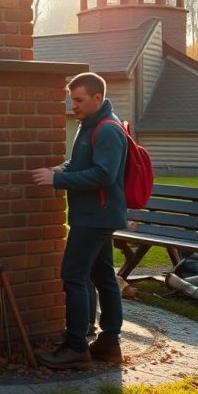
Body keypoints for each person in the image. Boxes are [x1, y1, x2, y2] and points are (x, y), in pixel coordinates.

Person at [31, 72, 128, 369]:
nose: (73, 105)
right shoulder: (89, 125)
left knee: (73, 274)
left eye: (79, 100)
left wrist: (58, 179)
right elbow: (83, 162)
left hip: (95, 216)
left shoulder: (108, 129)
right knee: (103, 277)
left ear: (97, 98)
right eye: (72, 99)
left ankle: (75, 347)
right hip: (94, 214)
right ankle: (109, 344)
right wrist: (63, 167)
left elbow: (103, 174)